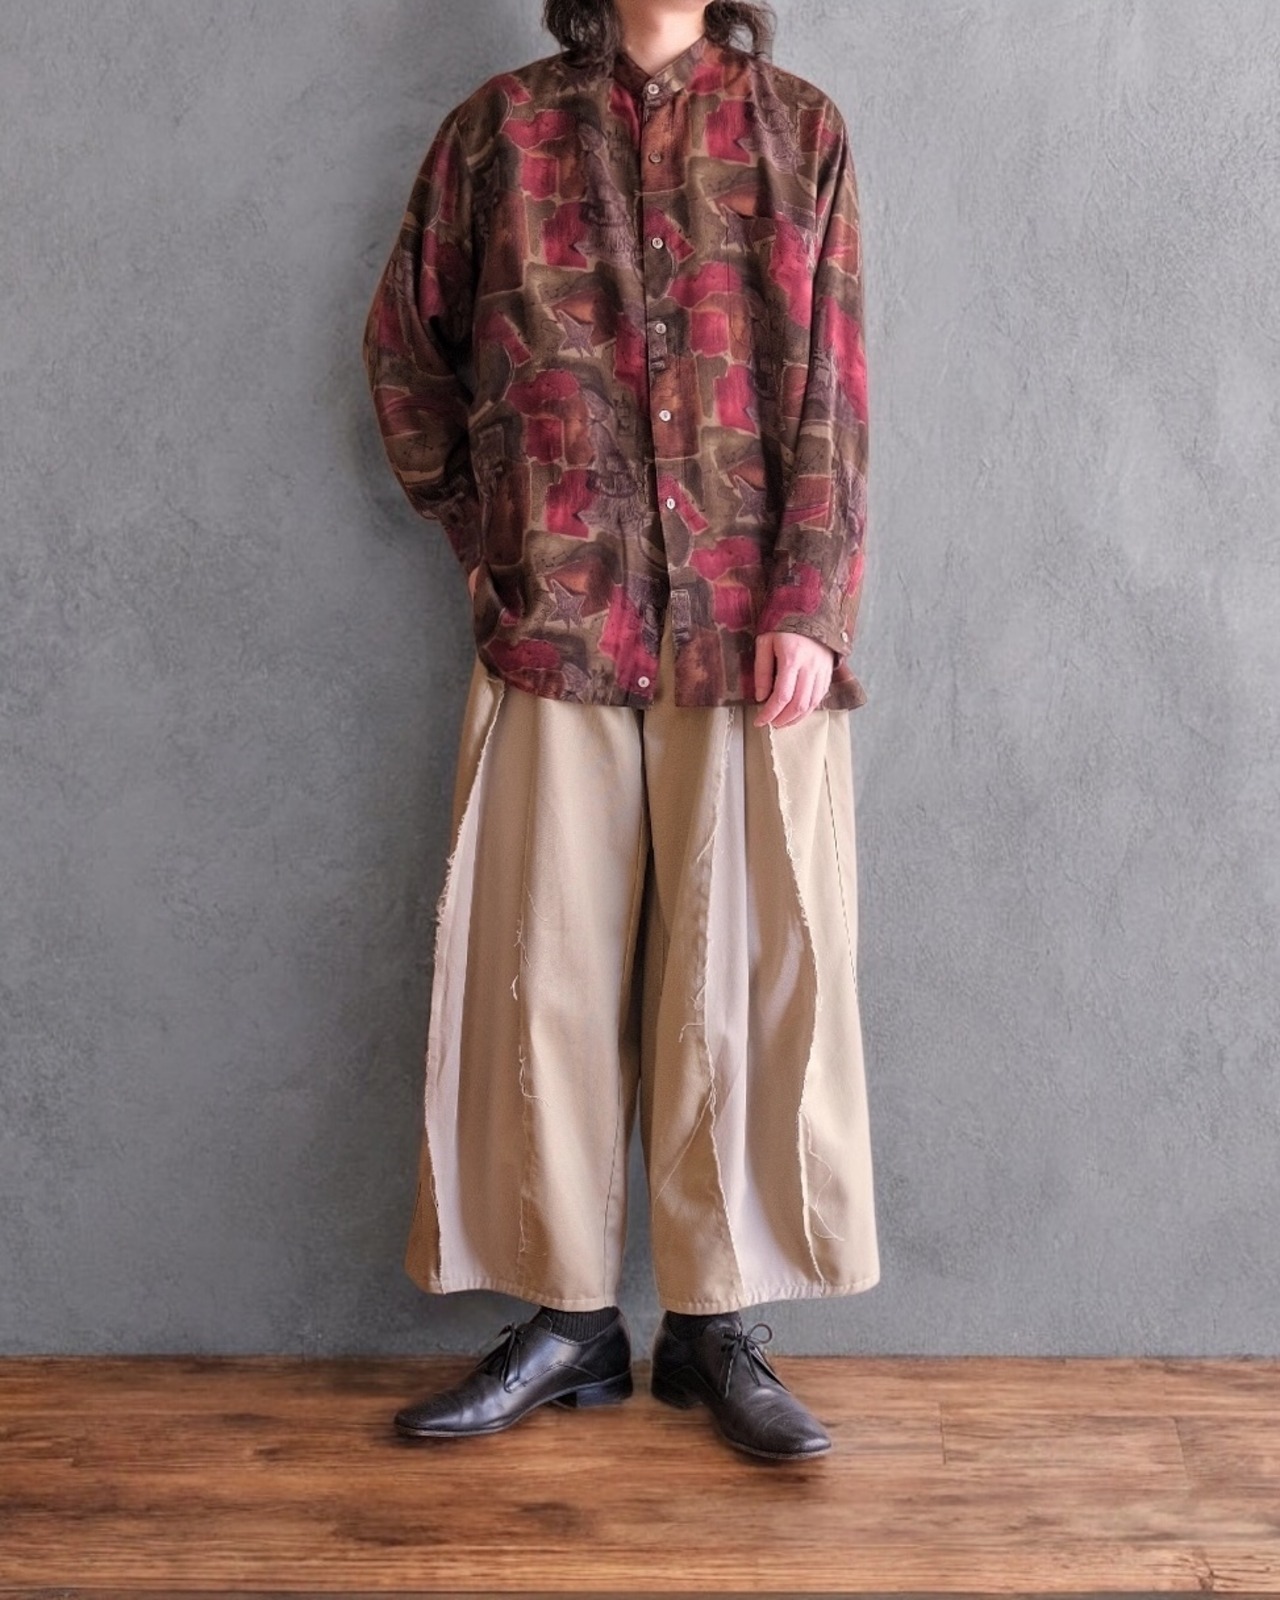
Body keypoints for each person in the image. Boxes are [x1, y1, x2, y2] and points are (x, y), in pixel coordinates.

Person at [361, 0, 878, 1462]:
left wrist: (812, 601)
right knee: (544, 973)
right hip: (557, 626)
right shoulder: (498, 131)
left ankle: (716, 1327)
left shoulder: (801, 131)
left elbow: (834, 386)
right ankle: (570, 1321)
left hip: (747, 630)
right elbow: (405, 348)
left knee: (737, 979)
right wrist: (496, 535)